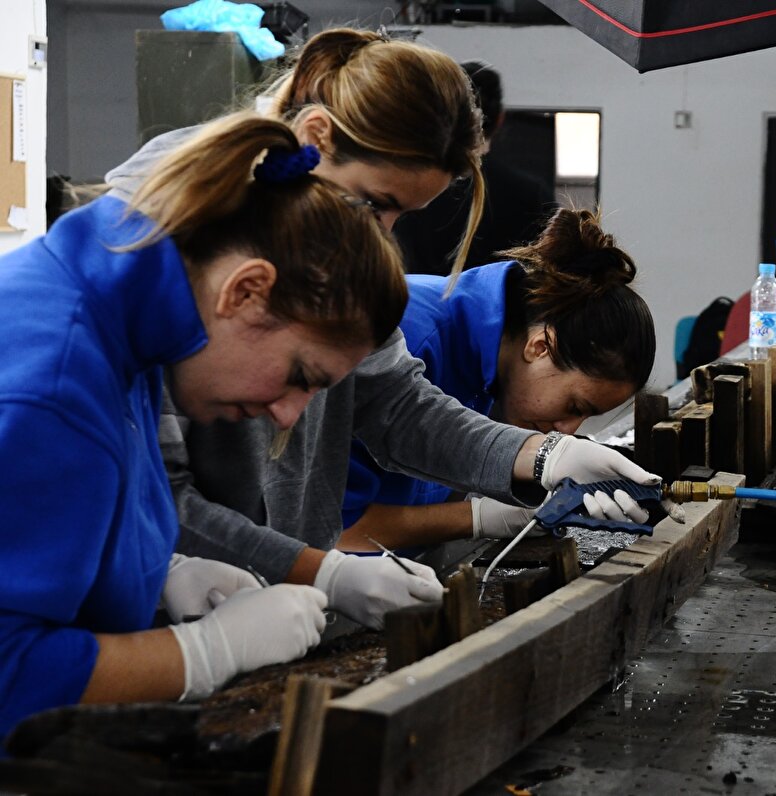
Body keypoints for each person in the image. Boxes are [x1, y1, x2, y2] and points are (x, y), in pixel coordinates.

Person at [104, 28, 656, 632]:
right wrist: (321, 572)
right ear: (316, 138)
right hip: (170, 613)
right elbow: (156, 494)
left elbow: (394, 405)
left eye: (400, 216)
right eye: (375, 203)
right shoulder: (151, 254)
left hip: (267, 600)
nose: (382, 232)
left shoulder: (331, 250)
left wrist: (541, 455)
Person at [0, 114, 420, 738]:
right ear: (246, 291)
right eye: (300, 375)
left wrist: (161, 571)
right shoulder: (53, 384)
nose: (287, 414)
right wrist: (201, 655)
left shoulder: (124, 327)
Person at [340, 207, 655, 551]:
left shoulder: (499, 365)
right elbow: (336, 530)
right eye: (574, 406)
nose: (568, 428)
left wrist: (544, 462)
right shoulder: (409, 338)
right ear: (540, 346)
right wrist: (480, 517)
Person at [395, 60, 557, 276]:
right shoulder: (531, 195)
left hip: (415, 306)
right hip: (501, 309)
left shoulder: (408, 188)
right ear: (500, 119)